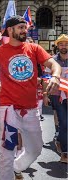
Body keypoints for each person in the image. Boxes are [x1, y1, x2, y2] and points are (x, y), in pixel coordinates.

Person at [0, 15, 61, 179]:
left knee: (36, 149)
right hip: (9, 109)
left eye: (25, 27)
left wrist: (55, 76)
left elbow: (54, 64)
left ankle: (17, 166)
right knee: (7, 150)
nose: (24, 30)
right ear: (10, 30)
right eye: (21, 27)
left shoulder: (34, 48)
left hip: (31, 109)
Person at [44, 34, 68, 163]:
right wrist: (45, 94)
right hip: (57, 96)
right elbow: (46, 77)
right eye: (61, 44)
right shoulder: (52, 60)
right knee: (63, 123)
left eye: (66, 44)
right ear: (57, 46)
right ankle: (65, 153)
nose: (64, 46)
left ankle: (59, 139)